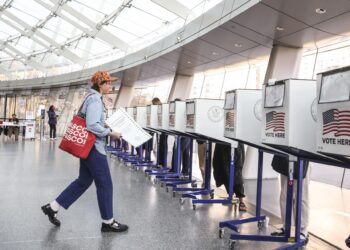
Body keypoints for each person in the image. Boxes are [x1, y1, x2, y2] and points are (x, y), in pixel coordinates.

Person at [41, 70, 128, 233]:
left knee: (83, 181)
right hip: (94, 148)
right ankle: (108, 222)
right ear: (100, 84)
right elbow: (92, 125)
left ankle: (53, 207)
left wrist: (106, 127)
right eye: (108, 83)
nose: (111, 85)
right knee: (105, 184)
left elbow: (92, 122)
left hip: (87, 148)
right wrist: (110, 133)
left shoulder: (91, 97)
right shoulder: (95, 99)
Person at [270, 155, 310, 244]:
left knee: (301, 195)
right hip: (287, 154)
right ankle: (286, 226)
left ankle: (303, 230)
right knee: (285, 194)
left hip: (303, 154)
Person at [212, 142, 247, 211]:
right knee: (221, 167)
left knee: (237, 170)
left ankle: (241, 200)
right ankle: (230, 195)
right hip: (222, 141)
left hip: (236, 141)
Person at [152, 97, 168, 166]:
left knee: (163, 145)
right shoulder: (159, 108)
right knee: (160, 145)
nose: (154, 105)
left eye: (154, 104)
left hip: (164, 129)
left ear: (158, 101)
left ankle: (163, 162)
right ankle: (159, 161)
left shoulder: (164, 107)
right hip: (159, 128)